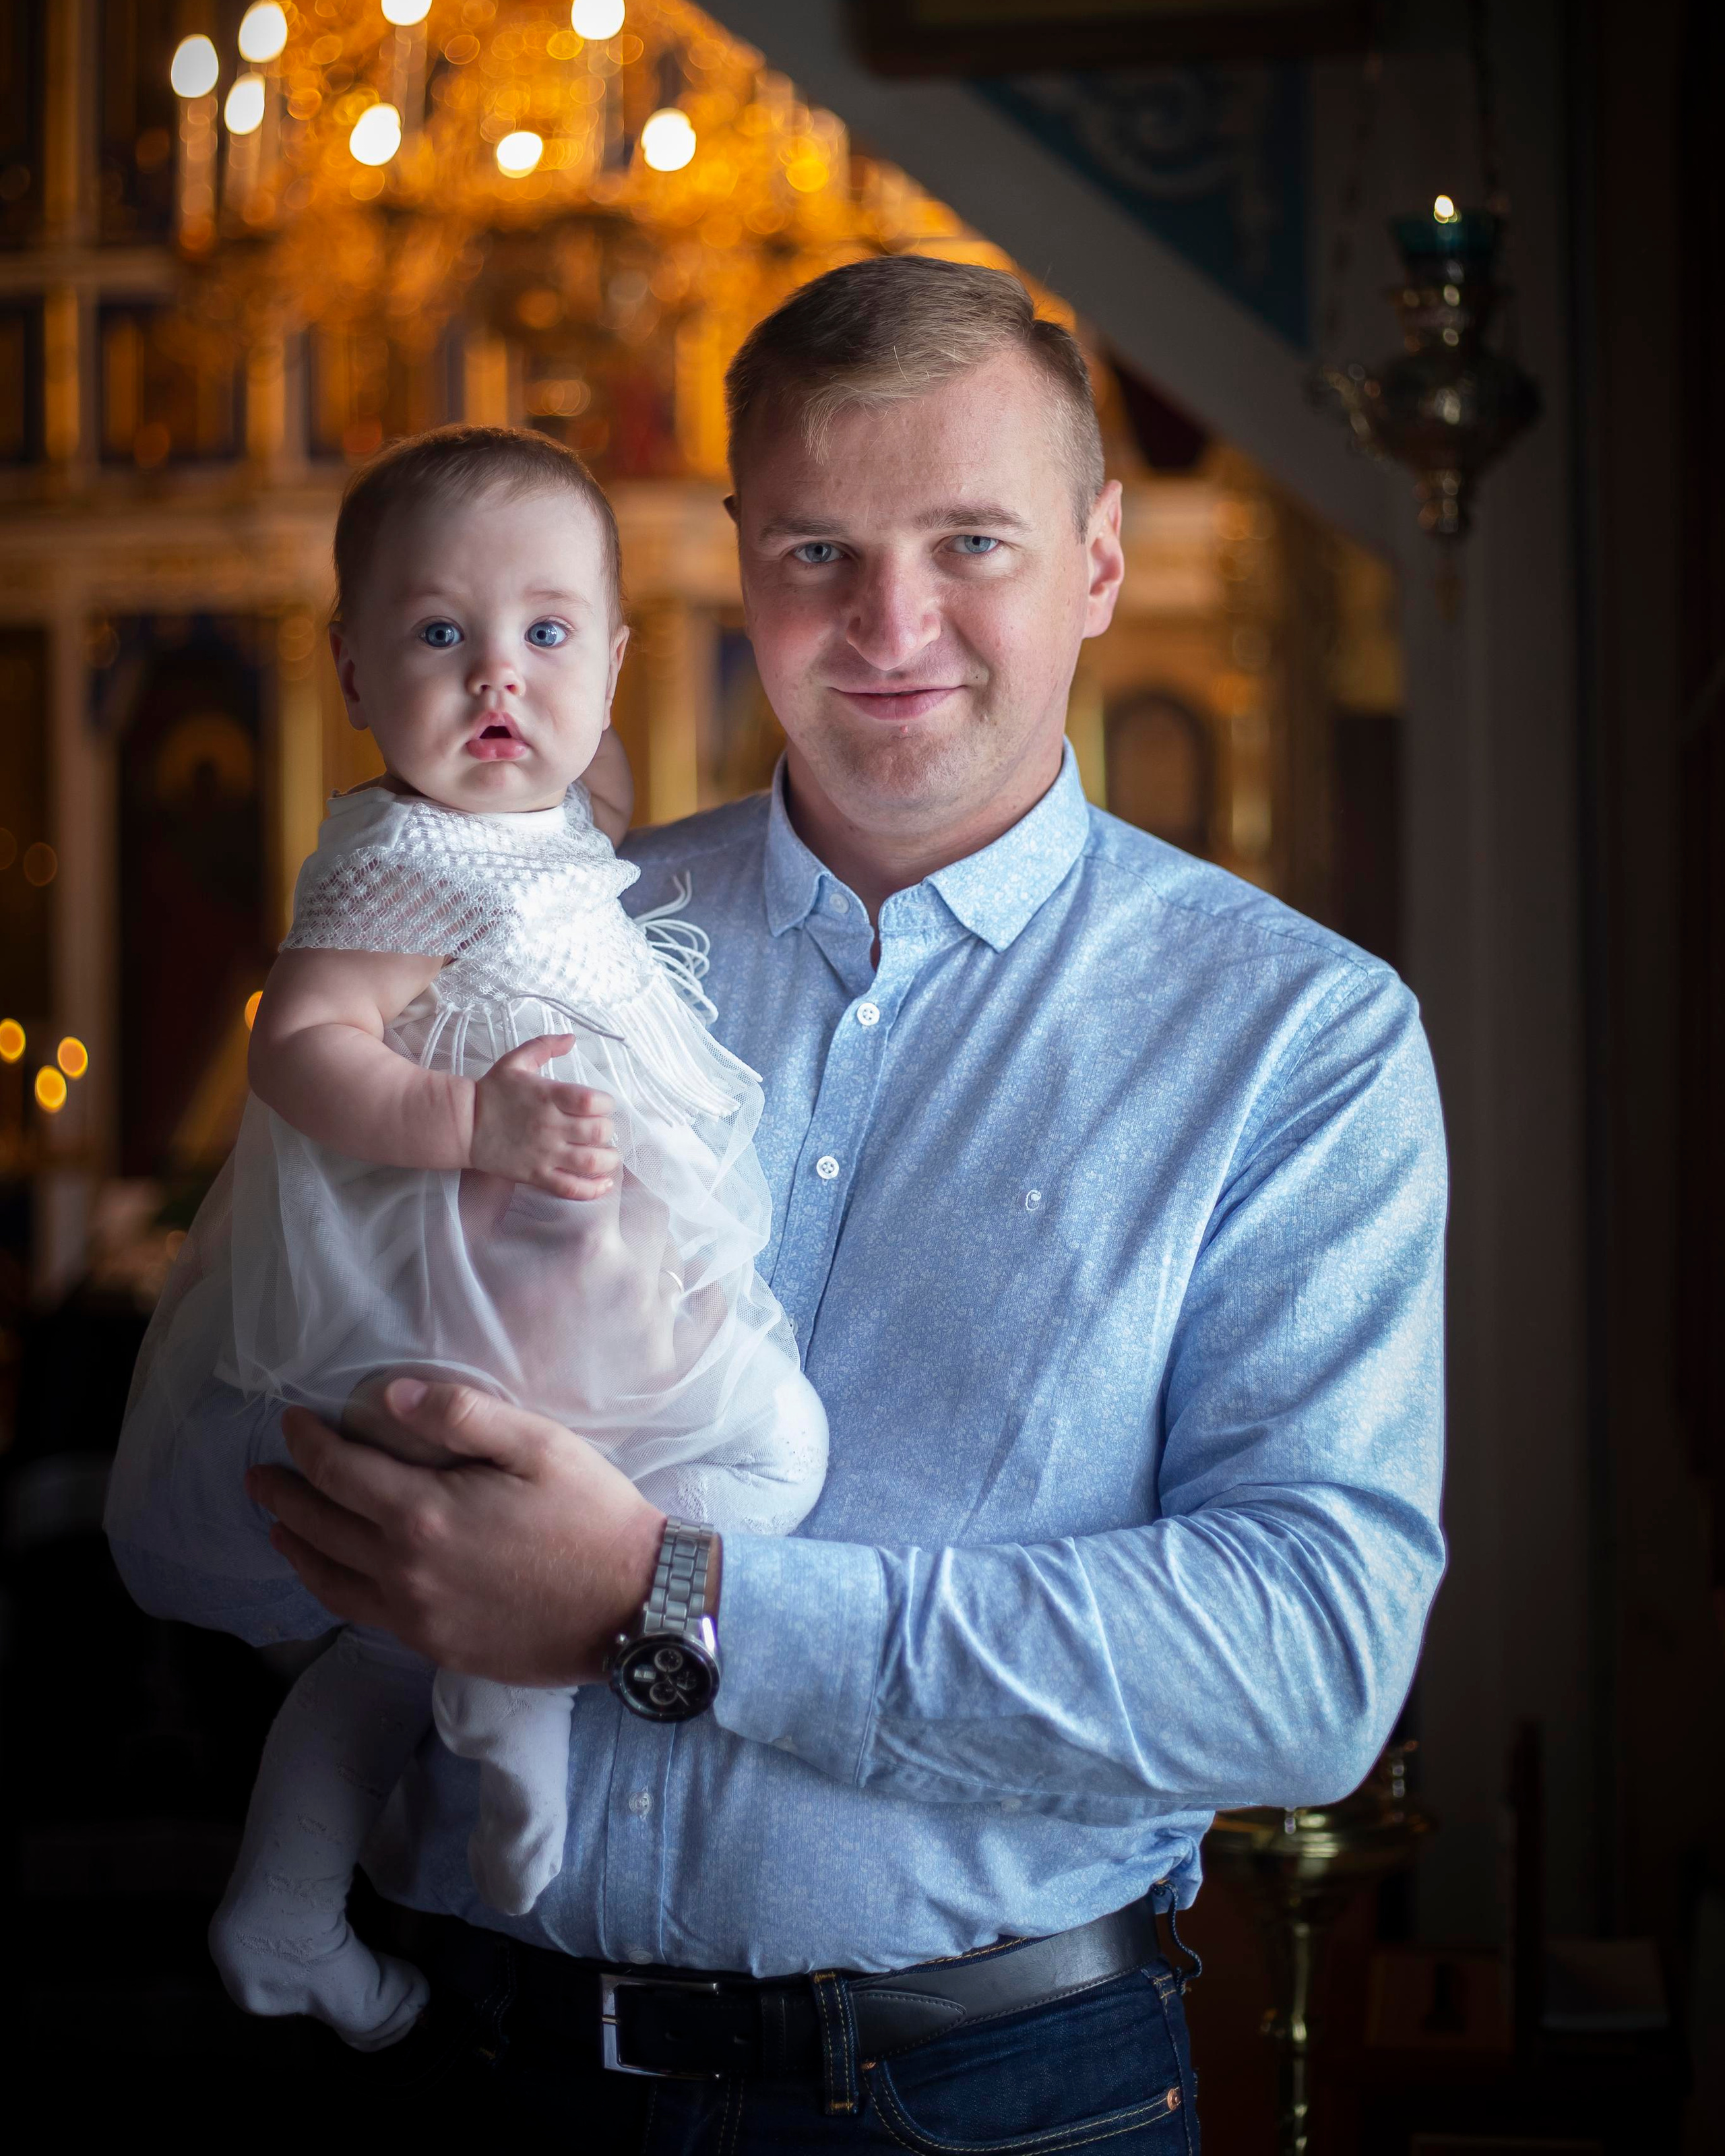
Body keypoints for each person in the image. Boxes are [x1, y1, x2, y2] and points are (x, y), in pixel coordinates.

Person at [109, 257, 1446, 2151]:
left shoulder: (1299, 1040)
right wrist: (351, 1486)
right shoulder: (517, 941)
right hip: (465, 2062)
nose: (892, 623)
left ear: (1097, 558)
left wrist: (666, 1603)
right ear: (738, 565)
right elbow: (261, 1461)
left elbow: (1309, 1666)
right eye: (819, 550)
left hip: (983, 2098)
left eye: (970, 539)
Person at [108, 428, 825, 2053]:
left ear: (617, 662)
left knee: (380, 1640)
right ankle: (518, 1682)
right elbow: (296, 1047)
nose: (498, 675)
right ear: (352, 668)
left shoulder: (555, 827)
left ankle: (284, 1915)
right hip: (464, 1298)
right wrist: (471, 1126)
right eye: (440, 637)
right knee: (773, 1448)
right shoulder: (394, 856)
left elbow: (576, 815)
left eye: (547, 634)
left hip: (529, 1291)